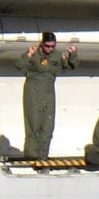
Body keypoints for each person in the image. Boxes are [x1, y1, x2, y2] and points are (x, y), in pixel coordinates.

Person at [19, 31, 77, 159]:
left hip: (49, 93)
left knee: (48, 127)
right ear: (42, 44)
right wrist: (28, 55)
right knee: (34, 125)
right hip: (33, 91)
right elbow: (18, 65)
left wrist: (73, 54)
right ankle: (32, 155)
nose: (50, 49)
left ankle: (43, 156)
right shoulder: (34, 53)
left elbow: (70, 65)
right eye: (47, 46)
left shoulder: (56, 56)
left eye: (53, 46)